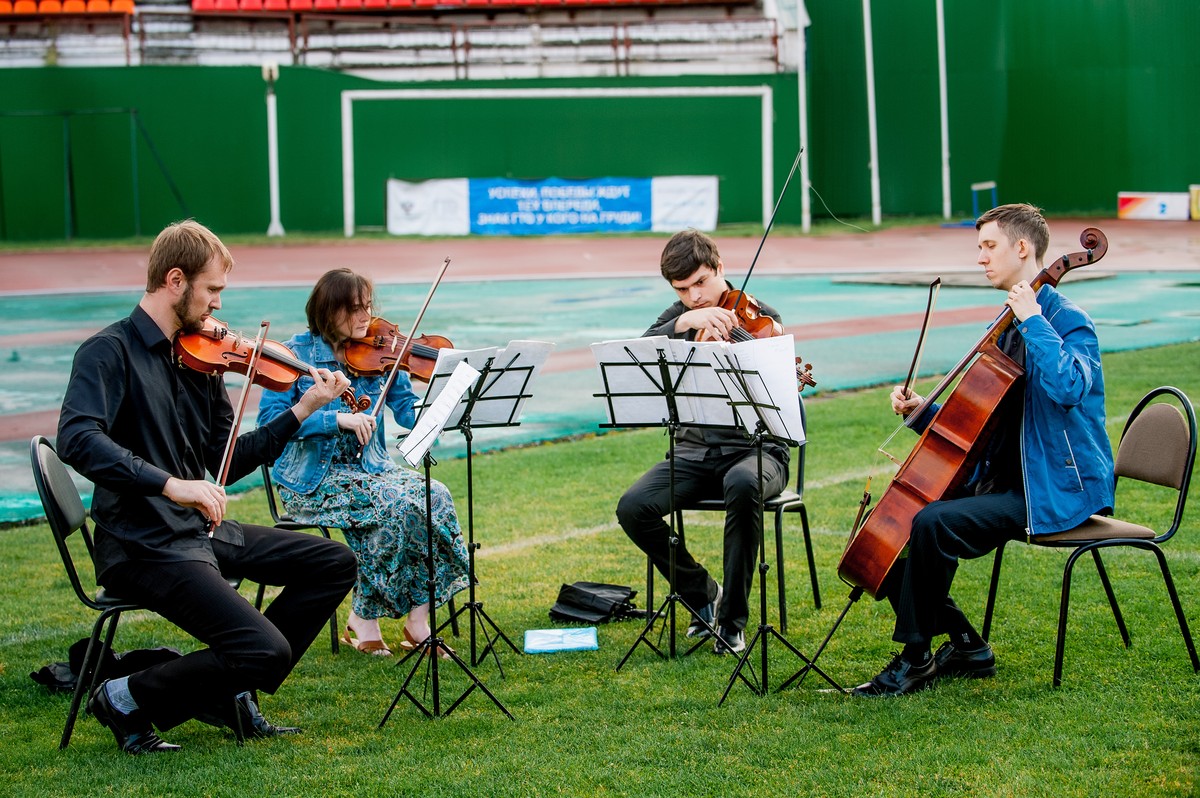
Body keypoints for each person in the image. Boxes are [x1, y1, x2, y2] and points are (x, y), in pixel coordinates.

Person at [56, 220, 358, 754]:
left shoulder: (202, 361)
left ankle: (230, 686)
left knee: (333, 563)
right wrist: (171, 485)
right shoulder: (108, 352)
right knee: (266, 651)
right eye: (212, 290)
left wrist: (302, 410)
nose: (218, 306)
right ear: (176, 280)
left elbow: (224, 463)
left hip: (195, 531)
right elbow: (78, 439)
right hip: (142, 542)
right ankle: (126, 696)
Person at [852, 203, 1116, 697]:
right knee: (885, 537)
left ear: (1022, 248)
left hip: (1054, 489)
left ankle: (913, 661)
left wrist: (1033, 319)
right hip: (1006, 480)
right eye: (979, 248)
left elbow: (1069, 388)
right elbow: (980, 421)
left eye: (989, 246)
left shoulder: (1066, 319)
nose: (981, 258)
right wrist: (921, 414)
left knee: (932, 523)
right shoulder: (1008, 321)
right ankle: (967, 644)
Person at [256, 268, 470, 659]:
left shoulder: (380, 352)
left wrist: (441, 401)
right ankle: (362, 618)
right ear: (327, 310)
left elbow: (407, 411)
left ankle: (418, 621)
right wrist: (335, 418)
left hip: (371, 469)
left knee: (434, 495)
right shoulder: (295, 355)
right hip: (312, 480)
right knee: (393, 505)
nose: (364, 318)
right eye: (354, 309)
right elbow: (270, 425)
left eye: (367, 307)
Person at [615, 229, 790, 655]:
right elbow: (640, 349)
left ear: (720, 269)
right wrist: (686, 325)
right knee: (633, 507)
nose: (694, 296)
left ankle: (732, 620)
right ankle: (702, 593)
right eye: (682, 289)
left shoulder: (759, 316)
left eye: (700, 283)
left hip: (757, 451)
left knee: (743, 485)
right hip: (693, 453)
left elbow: (783, 400)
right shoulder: (677, 316)